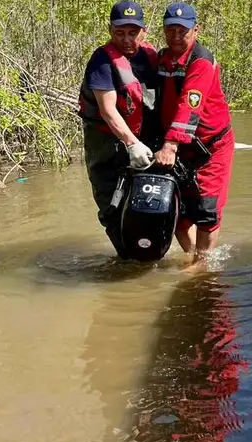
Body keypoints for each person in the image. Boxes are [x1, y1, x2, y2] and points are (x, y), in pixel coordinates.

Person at [153, 2, 235, 265]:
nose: (176, 37)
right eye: (171, 30)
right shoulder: (162, 58)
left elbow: (190, 104)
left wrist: (170, 145)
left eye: (183, 31)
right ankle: (193, 258)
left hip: (211, 146)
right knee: (177, 210)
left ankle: (202, 265)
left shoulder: (201, 61)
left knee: (207, 209)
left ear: (196, 30)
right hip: (181, 146)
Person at [78, 1, 160, 258]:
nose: (126, 39)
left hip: (146, 142)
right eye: (119, 32)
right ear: (110, 30)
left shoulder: (150, 56)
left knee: (151, 203)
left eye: (133, 33)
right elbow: (107, 110)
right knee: (112, 208)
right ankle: (125, 259)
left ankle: (150, 256)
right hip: (107, 147)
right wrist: (132, 143)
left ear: (144, 31)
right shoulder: (101, 61)